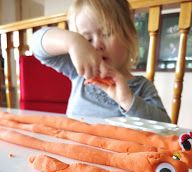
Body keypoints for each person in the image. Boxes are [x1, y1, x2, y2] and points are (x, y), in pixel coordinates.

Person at [31, 0, 171, 122]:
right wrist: (72, 41)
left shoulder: (142, 87)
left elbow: (167, 129)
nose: (97, 45)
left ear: (128, 34)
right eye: (87, 40)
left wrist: (127, 100)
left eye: (106, 33)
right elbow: (35, 43)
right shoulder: (79, 73)